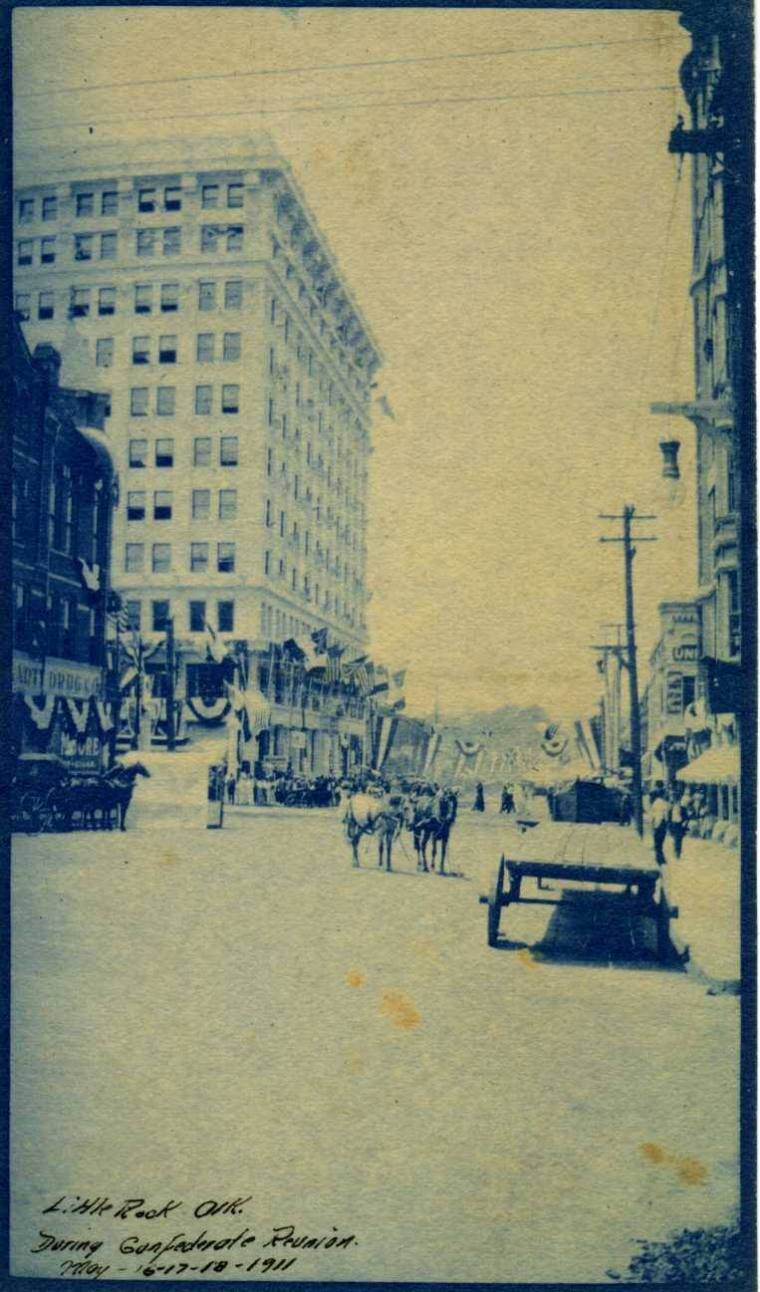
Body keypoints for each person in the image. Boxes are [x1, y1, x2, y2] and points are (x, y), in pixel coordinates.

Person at [650, 789, 671, 866]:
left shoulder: (655, 802)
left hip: (656, 823)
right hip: (662, 823)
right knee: (660, 842)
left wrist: (652, 825)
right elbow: (666, 816)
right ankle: (660, 858)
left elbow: (652, 815)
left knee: (657, 841)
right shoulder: (665, 803)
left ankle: (658, 858)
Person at [668, 789, 686, 859]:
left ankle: (677, 852)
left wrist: (684, 823)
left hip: (679, 824)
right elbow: (669, 817)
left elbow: (685, 817)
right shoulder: (671, 807)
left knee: (678, 839)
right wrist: (669, 825)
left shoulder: (682, 807)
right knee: (675, 838)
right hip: (673, 824)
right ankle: (676, 851)